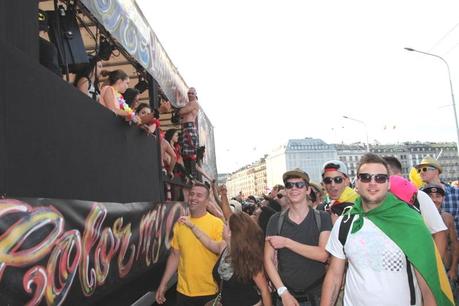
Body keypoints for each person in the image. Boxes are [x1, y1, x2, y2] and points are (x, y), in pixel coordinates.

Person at [321, 153, 454, 306]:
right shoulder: (345, 222)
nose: (372, 183)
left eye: (380, 178)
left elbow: (428, 286)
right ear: (356, 183)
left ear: (388, 183)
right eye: (365, 177)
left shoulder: (410, 222)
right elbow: (334, 276)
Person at [265, 168, 332, 306]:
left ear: (308, 190)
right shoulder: (275, 220)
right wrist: (283, 292)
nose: (294, 188)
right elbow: (267, 259)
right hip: (286, 296)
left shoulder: (323, 218)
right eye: (289, 185)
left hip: (316, 296)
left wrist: (287, 242)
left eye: (299, 185)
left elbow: (323, 255)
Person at [178, 212, 272, 306]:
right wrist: (192, 226)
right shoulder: (223, 247)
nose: (223, 226)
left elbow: (264, 291)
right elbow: (207, 241)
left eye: (226, 224)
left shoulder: (249, 258)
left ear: (230, 232)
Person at [155, 183, 224, 306]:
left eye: (199, 195)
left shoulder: (217, 224)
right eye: (192, 194)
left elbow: (221, 252)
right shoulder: (180, 224)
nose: (193, 198)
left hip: (210, 292)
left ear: (207, 201)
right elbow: (175, 256)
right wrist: (163, 283)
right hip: (183, 292)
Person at [383, 156, 448, 259]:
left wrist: (433, 269)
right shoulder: (373, 200)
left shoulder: (419, 196)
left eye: (381, 176)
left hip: (419, 265)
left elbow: (439, 233)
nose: (421, 172)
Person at [421, 183, 458, 286]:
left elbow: (455, 244)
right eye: (430, 196)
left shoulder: (447, 218)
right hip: (425, 271)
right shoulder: (417, 219)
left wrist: (454, 268)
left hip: (446, 270)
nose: (434, 200)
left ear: (443, 198)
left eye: (438, 196)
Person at [415, 155, 459, 239]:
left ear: (436, 171)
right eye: (419, 170)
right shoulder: (418, 196)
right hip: (432, 246)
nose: (420, 172)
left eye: (424, 169)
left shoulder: (456, 193)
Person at [179, 87, 200, 178]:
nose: (190, 94)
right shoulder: (188, 104)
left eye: (192, 93)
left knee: (190, 152)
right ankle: (189, 174)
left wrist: (181, 110)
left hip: (190, 127)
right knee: (185, 151)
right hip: (186, 127)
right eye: (188, 93)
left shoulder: (194, 103)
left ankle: (192, 174)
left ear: (195, 94)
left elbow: (183, 111)